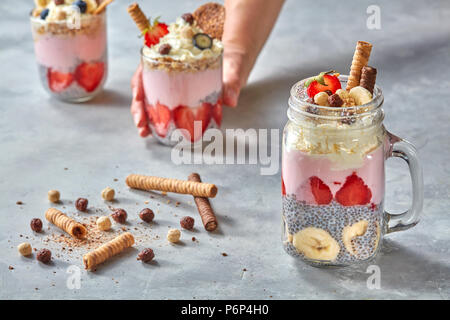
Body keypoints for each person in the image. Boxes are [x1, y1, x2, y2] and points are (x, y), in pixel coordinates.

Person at [130, 0, 285, 137]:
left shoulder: (213, 55)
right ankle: (164, 127)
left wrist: (235, 52)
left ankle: (195, 128)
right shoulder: (155, 54)